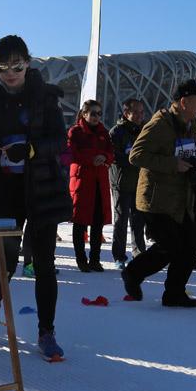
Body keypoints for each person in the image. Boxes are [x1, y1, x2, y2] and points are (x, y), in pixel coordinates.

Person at [0, 35, 71, 361]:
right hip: (4, 193)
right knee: (3, 263)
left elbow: (59, 141)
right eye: (3, 67)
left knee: (43, 264)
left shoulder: (45, 99)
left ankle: (47, 331)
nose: (10, 73)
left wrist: (29, 150)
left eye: (17, 65)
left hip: (41, 191)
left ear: (28, 62)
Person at [121, 79, 196, 308]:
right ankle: (133, 273)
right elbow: (136, 155)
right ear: (184, 102)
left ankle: (174, 293)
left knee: (191, 247)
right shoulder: (159, 124)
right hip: (157, 200)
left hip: (184, 199)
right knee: (170, 246)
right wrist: (172, 164)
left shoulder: (191, 125)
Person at [68, 100, 114, 272]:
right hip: (82, 182)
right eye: (93, 113)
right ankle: (81, 259)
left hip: (99, 182)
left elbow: (111, 152)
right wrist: (92, 158)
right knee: (80, 222)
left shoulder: (103, 132)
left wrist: (105, 157)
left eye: (99, 113)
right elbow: (72, 153)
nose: (96, 117)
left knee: (97, 222)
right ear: (84, 113)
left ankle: (95, 259)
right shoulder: (76, 132)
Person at [108, 99, 147, 269]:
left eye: (141, 112)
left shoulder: (145, 131)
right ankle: (119, 256)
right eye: (136, 112)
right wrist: (134, 159)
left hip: (139, 183)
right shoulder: (116, 132)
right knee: (121, 220)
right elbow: (113, 156)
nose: (139, 116)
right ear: (126, 113)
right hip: (121, 182)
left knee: (139, 220)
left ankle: (139, 254)